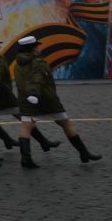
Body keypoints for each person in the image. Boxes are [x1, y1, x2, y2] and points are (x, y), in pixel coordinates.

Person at [11, 37, 102, 166]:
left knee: (26, 127)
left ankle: (26, 159)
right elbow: (38, 78)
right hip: (46, 100)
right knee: (66, 124)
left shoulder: (18, 63)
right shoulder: (39, 62)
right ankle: (84, 153)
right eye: (37, 45)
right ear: (33, 48)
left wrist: (30, 95)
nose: (39, 47)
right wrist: (34, 94)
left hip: (26, 100)